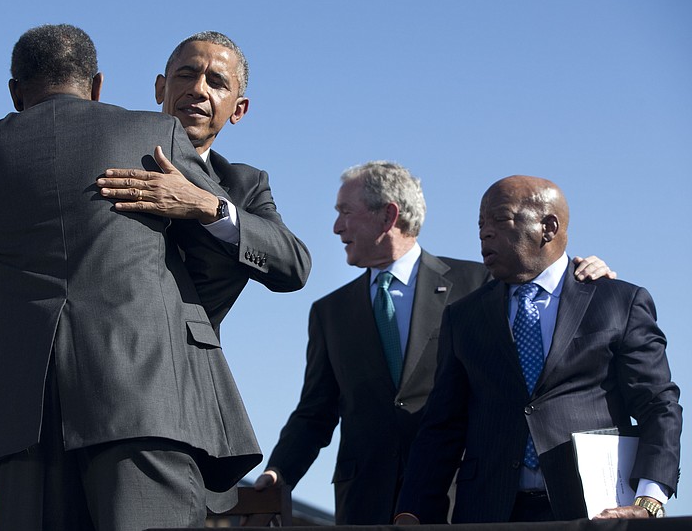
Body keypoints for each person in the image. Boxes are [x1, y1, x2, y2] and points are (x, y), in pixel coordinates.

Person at [0, 24, 261, 530]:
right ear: (98, 85)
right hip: (147, 402)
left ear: (15, 92)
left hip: (22, 420)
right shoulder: (154, 134)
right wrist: (177, 308)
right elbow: (213, 255)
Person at [252, 161, 615, 524]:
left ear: (388, 216)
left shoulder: (481, 284)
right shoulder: (329, 312)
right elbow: (314, 412)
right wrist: (279, 472)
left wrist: (583, 274)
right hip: (365, 501)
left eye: (346, 212)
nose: (336, 227)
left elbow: (547, 298)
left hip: (458, 496)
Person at [395, 175, 682, 523]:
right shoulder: (464, 316)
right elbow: (442, 426)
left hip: (594, 514)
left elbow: (658, 405)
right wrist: (413, 511)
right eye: (481, 224)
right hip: (489, 514)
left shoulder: (617, 302)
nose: (484, 232)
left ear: (548, 226)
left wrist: (649, 499)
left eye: (500, 219)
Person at [98, 31, 311, 335]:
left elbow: (294, 266)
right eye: (186, 75)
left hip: (191, 367)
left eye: (216, 82)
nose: (198, 89)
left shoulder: (246, 185)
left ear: (238, 109)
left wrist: (208, 206)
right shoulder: (111, 155)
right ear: (161, 88)